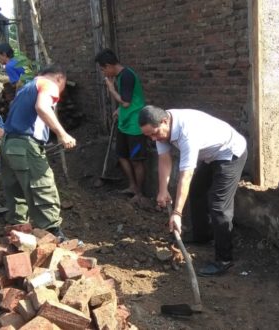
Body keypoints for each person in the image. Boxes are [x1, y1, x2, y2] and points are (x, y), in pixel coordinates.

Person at [139, 106, 247, 277]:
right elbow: (164, 159)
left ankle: (224, 260)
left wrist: (177, 213)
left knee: (219, 205)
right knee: (197, 192)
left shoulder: (187, 133)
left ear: (164, 121)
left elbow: (186, 175)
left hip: (229, 152)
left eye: (154, 133)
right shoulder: (161, 126)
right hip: (211, 156)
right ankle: (202, 235)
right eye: (149, 136)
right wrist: (162, 190)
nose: (153, 138)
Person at [1, 64, 75, 241]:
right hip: (25, 145)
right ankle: (53, 235)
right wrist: (62, 134)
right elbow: (42, 107)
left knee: (17, 190)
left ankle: (18, 232)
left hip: (8, 144)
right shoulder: (48, 84)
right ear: (59, 78)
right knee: (42, 186)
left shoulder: (27, 87)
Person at [95, 49, 147, 203]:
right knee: (122, 155)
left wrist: (111, 89)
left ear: (110, 65)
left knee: (137, 160)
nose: (104, 73)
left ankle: (140, 193)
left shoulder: (127, 76)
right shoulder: (119, 76)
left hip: (135, 126)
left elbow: (126, 101)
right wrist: (119, 109)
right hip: (125, 123)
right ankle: (132, 186)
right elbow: (129, 100)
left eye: (103, 69)